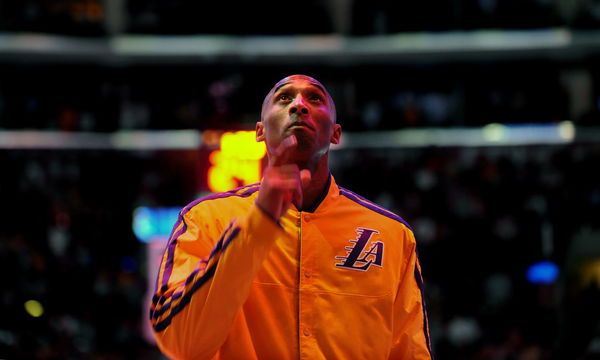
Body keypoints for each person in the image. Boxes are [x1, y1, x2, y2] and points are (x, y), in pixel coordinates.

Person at [149, 74, 433, 359]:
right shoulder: (205, 218)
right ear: (259, 131)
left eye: (314, 98)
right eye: (284, 98)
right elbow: (181, 343)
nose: (299, 105)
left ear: (336, 133)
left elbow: (410, 352)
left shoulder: (391, 234)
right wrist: (259, 223)